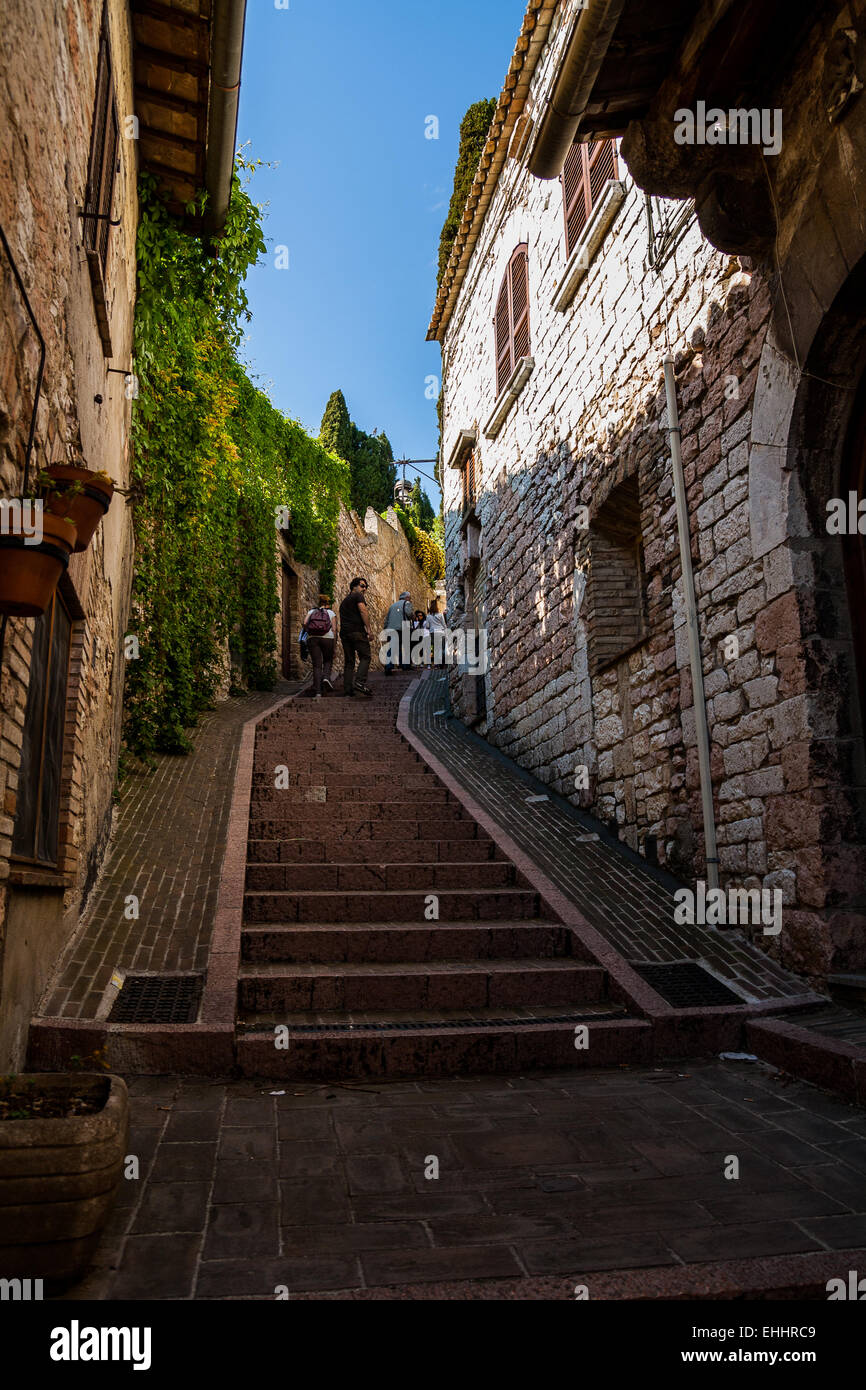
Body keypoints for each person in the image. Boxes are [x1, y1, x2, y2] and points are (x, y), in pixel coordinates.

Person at [339, 577, 373, 698]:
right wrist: (368, 630)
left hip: (344, 634)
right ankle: (360, 682)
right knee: (366, 656)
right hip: (357, 632)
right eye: (362, 586)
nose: (364, 589)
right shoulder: (357, 596)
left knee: (349, 662)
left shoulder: (344, 602)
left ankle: (348, 690)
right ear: (354, 586)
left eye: (366, 587)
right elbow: (363, 611)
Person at [302, 593, 336, 700]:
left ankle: (318, 692)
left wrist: (309, 631)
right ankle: (326, 677)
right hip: (328, 638)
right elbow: (334, 629)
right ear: (327, 603)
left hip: (313, 638)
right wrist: (334, 643)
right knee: (328, 660)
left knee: (316, 665)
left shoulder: (312, 611)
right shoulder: (331, 613)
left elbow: (304, 623)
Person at [382, 590, 414, 675]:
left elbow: (387, 619)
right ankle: (405, 665)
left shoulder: (392, 606)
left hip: (391, 629)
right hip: (403, 628)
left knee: (392, 647)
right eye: (409, 597)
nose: (410, 599)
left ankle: (388, 666)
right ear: (406, 597)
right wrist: (413, 616)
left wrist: (385, 628)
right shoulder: (407, 603)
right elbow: (409, 614)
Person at [423, 598, 447, 668]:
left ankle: (436, 664)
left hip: (433, 633)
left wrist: (431, 626)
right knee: (441, 648)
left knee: (435, 648)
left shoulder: (428, 616)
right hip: (441, 632)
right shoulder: (440, 615)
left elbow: (427, 626)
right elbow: (444, 625)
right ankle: (441, 663)